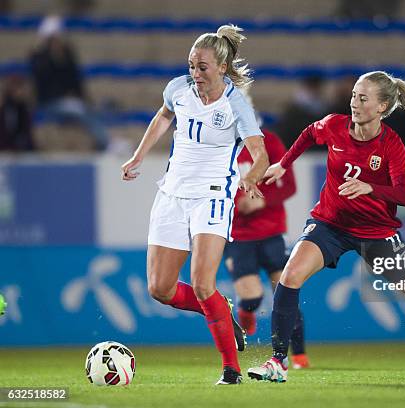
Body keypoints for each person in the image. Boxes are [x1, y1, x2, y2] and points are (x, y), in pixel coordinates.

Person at [247, 71, 405, 382]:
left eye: (363, 98)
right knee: (290, 275)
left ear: (382, 107)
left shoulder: (391, 145)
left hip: (377, 233)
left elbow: (404, 195)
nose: (354, 103)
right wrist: (284, 162)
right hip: (329, 224)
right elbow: (310, 133)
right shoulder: (335, 125)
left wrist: (370, 188)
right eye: (353, 96)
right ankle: (277, 362)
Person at [121, 24, 269, 385]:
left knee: (202, 284)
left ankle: (231, 370)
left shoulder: (236, 105)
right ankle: (221, 309)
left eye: (202, 67)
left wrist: (250, 178)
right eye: (191, 66)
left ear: (221, 67)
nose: (195, 74)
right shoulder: (178, 90)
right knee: (160, 289)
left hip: (213, 197)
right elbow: (163, 116)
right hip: (171, 194)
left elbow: (260, 154)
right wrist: (138, 157)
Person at [225, 127, 310, 369]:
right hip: (237, 235)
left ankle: (299, 356)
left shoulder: (269, 141)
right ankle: (246, 309)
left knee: (286, 292)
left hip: (272, 232)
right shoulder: (219, 142)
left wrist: (263, 201)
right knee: (252, 295)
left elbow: (289, 185)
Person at [29, 15, 109, 151]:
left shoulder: (67, 56)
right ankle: (105, 143)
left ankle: (103, 141)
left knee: (93, 108)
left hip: (67, 100)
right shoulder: (39, 58)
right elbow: (43, 85)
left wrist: (81, 97)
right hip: (49, 102)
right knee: (78, 108)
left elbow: (75, 81)